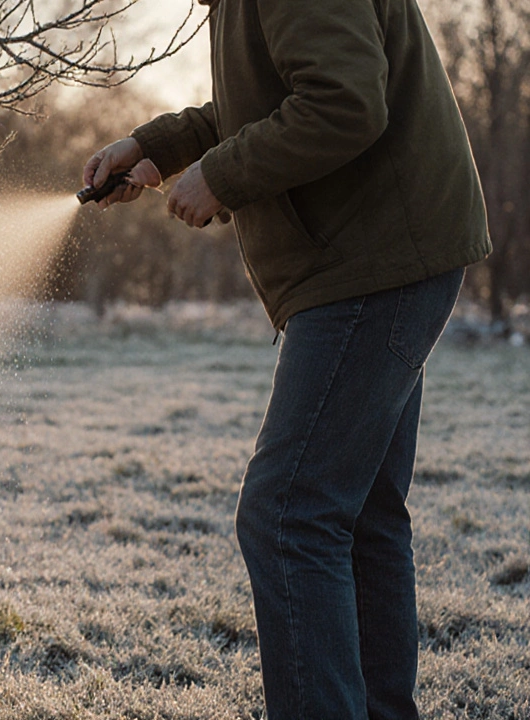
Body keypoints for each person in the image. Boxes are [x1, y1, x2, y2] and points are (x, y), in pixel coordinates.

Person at [81, 1, 492, 719]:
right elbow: (266, 97)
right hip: (384, 254)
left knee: (288, 514)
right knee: (357, 513)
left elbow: (343, 101)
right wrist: (157, 148)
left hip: (371, 262)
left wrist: (224, 175)